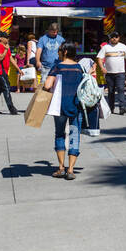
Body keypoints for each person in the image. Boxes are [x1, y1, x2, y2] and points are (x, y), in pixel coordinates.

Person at [42, 44, 85, 179]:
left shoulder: (58, 67)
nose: (58, 53)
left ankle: (61, 167)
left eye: (59, 50)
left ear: (65, 52)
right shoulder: (79, 68)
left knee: (60, 134)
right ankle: (70, 170)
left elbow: (47, 85)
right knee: (74, 135)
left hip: (59, 106)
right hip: (76, 106)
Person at [97, 30, 126, 116]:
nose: (114, 38)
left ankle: (122, 107)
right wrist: (102, 68)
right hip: (109, 73)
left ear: (119, 38)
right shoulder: (106, 47)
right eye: (112, 37)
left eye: (116, 37)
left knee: (120, 89)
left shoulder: (123, 47)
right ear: (110, 38)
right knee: (111, 91)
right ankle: (111, 107)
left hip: (120, 73)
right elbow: (99, 58)